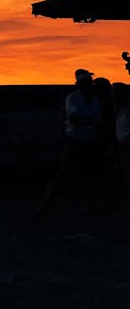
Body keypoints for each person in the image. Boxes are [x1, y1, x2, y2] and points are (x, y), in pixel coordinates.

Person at [35, 68, 104, 218]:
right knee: (63, 176)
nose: (89, 86)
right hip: (74, 142)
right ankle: (43, 209)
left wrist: (85, 122)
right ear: (80, 85)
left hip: (87, 141)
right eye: (87, 83)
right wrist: (88, 122)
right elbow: (76, 119)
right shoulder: (72, 98)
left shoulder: (93, 100)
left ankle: (74, 205)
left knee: (84, 175)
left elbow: (87, 121)